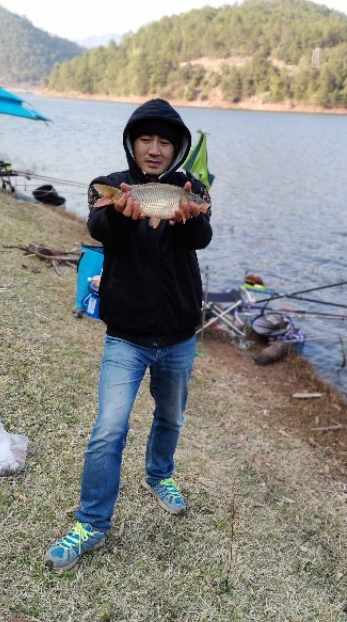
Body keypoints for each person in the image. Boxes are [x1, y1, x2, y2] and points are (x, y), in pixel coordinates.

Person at [44, 98, 213, 571]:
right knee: (108, 431)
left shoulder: (190, 186)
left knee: (171, 418)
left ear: (177, 147)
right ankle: (92, 523)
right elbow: (100, 228)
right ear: (133, 143)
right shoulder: (112, 186)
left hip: (179, 335)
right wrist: (122, 211)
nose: (155, 149)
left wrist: (190, 217)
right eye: (146, 139)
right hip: (126, 337)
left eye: (164, 141)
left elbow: (202, 239)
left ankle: (159, 475)